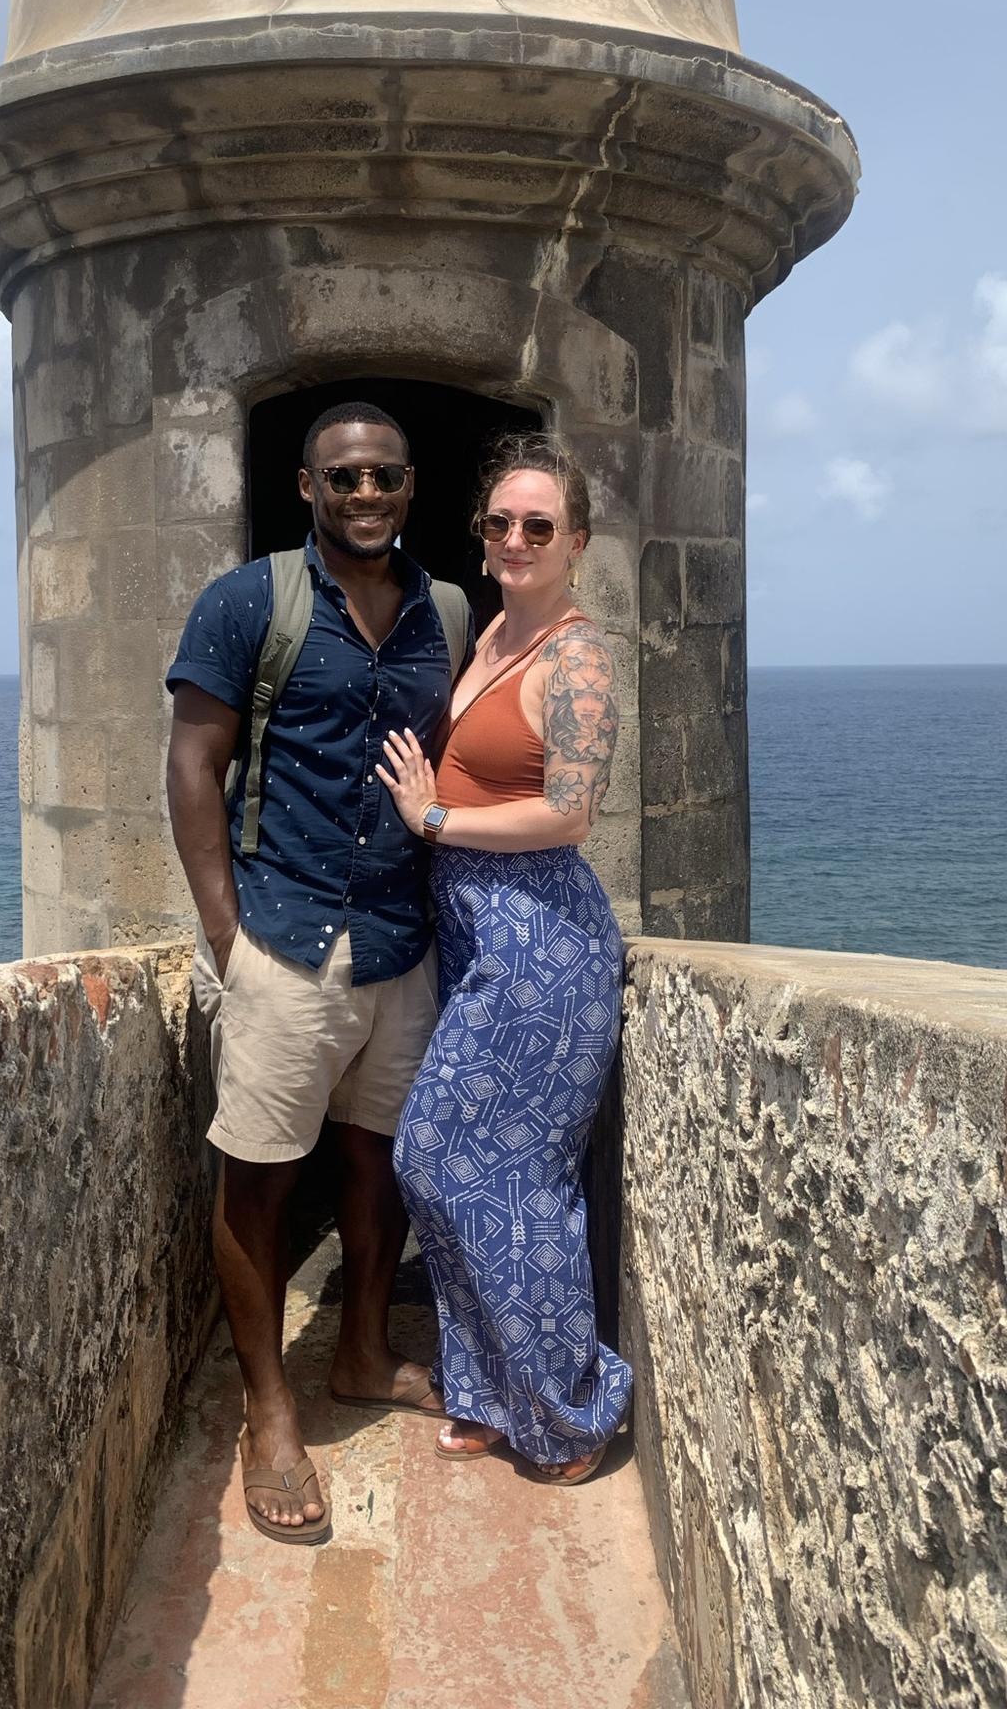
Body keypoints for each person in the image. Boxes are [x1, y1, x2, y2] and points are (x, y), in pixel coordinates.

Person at [165, 401, 459, 1547]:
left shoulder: (444, 610)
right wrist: (227, 936)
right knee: (260, 1176)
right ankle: (269, 1407)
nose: (366, 493)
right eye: (344, 477)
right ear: (307, 486)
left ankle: (363, 1350)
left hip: (400, 941)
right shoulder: (250, 602)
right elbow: (194, 765)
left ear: (410, 483)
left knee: (379, 1163)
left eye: (384, 474)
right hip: (285, 938)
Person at [376, 432, 633, 1483]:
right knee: (445, 1164)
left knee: (493, 1172)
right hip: (481, 932)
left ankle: (571, 1413)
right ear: (481, 537)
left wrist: (433, 818)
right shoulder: (491, 634)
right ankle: (490, 1389)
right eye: (501, 522)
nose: (517, 538)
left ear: (577, 542)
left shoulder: (577, 657)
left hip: (543, 943)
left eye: (540, 524)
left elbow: (569, 813)